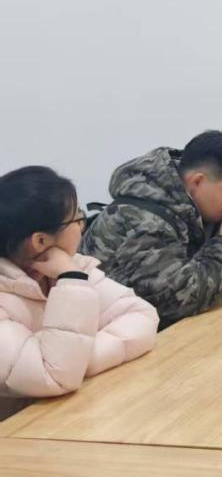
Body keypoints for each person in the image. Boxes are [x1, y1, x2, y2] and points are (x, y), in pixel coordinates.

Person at [81, 131, 222, 329]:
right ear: (197, 181)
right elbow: (181, 299)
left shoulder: (196, 204)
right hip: (118, 337)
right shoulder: (144, 223)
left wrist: (216, 281)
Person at [0, 167, 158, 399]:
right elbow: (53, 377)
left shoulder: (66, 267)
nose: (82, 226)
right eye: (77, 219)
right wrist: (71, 280)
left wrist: (76, 359)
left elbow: (142, 316)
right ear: (40, 241)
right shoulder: (69, 274)